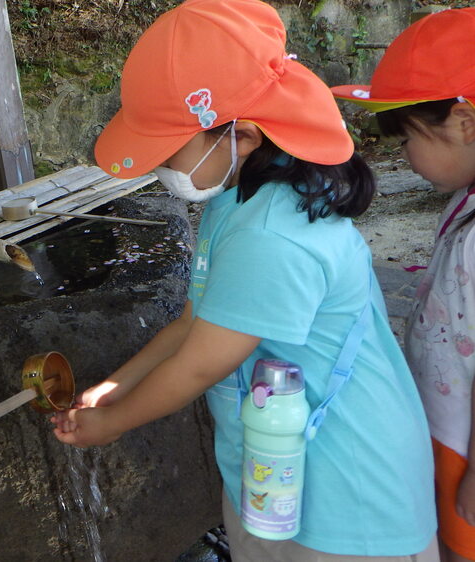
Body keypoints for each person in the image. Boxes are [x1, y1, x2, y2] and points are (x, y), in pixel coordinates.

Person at [51, 0, 437, 560]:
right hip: (277, 476)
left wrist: (114, 423)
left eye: (169, 144)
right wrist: (118, 386)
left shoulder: (271, 236)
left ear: (246, 135)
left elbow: (201, 362)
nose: (158, 162)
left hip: (349, 499)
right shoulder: (240, 197)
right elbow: (192, 323)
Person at [333, 8, 475, 562]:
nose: (404, 156)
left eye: (407, 136)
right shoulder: (463, 203)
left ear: (464, 122)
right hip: (447, 432)